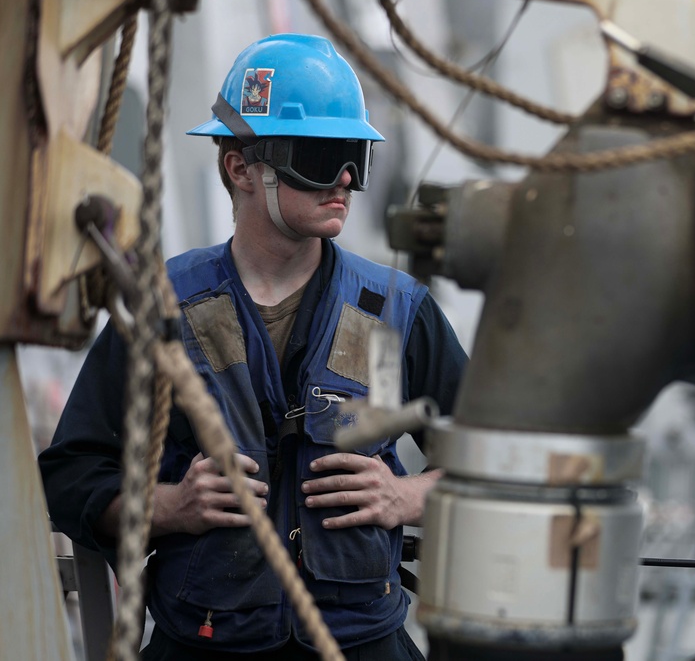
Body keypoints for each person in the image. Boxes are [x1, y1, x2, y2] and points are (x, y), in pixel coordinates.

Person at [39, 33, 467, 660]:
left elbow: (498, 470)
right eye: (320, 157)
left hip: (362, 644)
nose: (344, 181)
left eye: (356, 157)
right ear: (240, 167)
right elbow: (72, 475)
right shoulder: (164, 309)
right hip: (206, 644)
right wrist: (171, 505)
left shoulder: (400, 310)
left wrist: (405, 496)